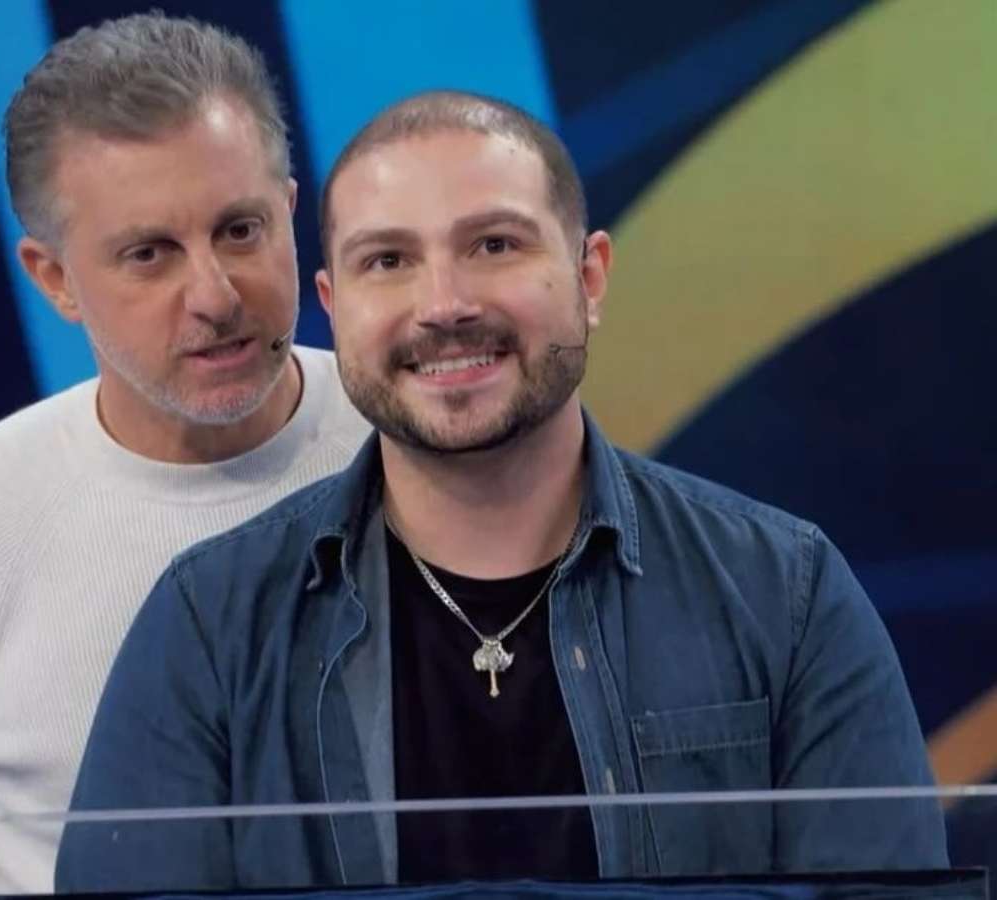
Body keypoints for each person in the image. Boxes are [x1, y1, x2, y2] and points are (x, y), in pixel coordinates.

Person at [55, 91, 947, 892]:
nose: (444, 304)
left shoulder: (784, 594)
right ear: (334, 304)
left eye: (494, 245)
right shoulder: (210, 626)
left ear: (590, 277)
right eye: (388, 261)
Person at [0, 14, 370, 899]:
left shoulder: (422, 452)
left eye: (241, 230)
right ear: (54, 278)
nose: (214, 295)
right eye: (149, 254)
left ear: (291, 212)